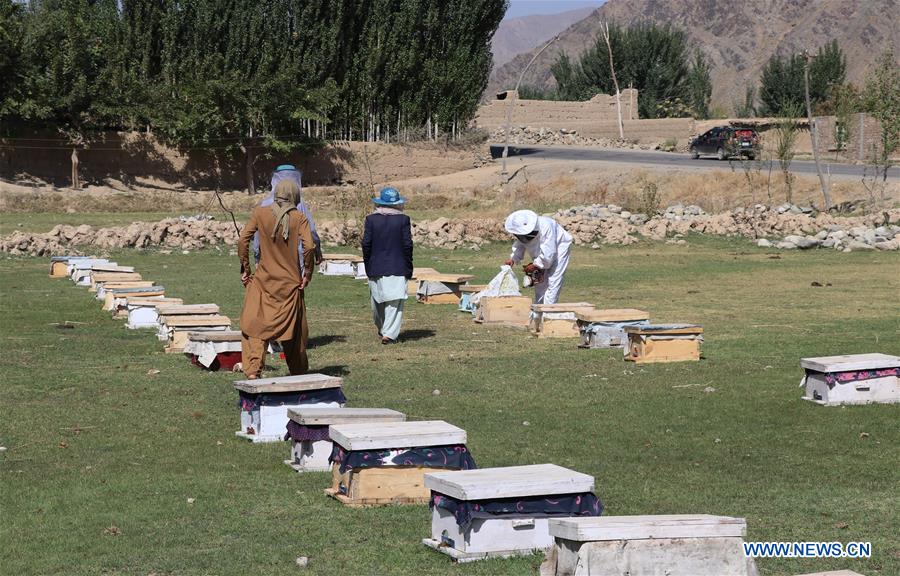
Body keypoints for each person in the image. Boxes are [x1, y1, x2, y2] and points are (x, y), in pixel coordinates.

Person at [238, 179, 316, 378]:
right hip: (290, 284)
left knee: (254, 324)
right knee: (295, 330)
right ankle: (298, 370)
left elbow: (243, 239)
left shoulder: (260, 213)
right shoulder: (299, 217)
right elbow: (309, 246)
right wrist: (307, 273)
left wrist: (246, 269)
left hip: (263, 281)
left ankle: (253, 370)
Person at [362, 187, 413, 345]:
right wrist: (409, 265)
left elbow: (366, 244)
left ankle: (384, 330)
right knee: (394, 302)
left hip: (375, 266)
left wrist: (368, 264)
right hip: (397, 266)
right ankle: (389, 333)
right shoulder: (403, 220)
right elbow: (407, 245)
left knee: (378, 301)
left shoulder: (371, 220)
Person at [253, 165, 322, 274]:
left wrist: (257, 257)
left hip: (268, 260)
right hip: (294, 262)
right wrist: (317, 251)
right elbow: (311, 231)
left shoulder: (264, 204)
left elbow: (258, 234)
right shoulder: (300, 205)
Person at [504, 209, 573, 305]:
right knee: (540, 282)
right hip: (542, 253)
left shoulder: (547, 227)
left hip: (560, 247)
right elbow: (520, 244)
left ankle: (548, 313)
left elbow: (548, 255)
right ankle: (539, 310)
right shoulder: (524, 233)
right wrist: (513, 258)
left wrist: (535, 265)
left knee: (554, 280)